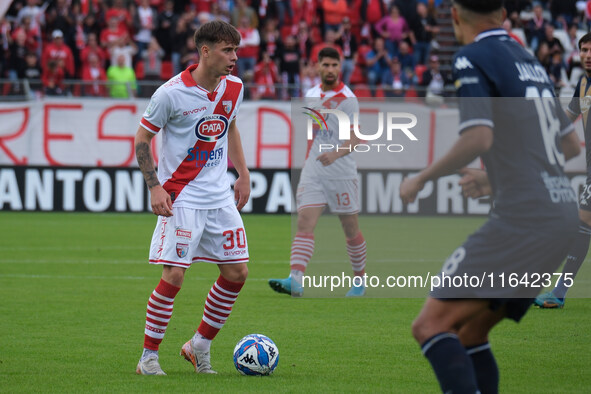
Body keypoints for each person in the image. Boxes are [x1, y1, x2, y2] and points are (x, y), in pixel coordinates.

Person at [399, 1, 581, 393]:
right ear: (502, 12)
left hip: (525, 220)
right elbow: (570, 145)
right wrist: (493, 182)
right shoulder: (528, 59)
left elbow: (478, 138)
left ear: (454, 15)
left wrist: (421, 178)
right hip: (562, 217)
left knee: (430, 325)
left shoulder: (473, 56)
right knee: (469, 334)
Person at [134, 20, 251, 376]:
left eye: (235, 51)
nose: (233, 58)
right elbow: (142, 140)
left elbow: (228, 124)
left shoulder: (234, 87)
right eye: (227, 50)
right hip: (181, 198)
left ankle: (199, 345)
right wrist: (155, 186)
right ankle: (148, 358)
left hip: (219, 198)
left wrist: (242, 173)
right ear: (205, 51)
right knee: (174, 276)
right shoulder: (170, 93)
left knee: (237, 273)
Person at [268, 47, 367, 297]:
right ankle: (295, 279)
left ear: (340, 66)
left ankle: (359, 281)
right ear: (318, 66)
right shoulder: (311, 95)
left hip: (341, 171)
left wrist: (334, 154)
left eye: (335, 65)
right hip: (314, 169)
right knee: (304, 222)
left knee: (349, 227)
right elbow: (315, 133)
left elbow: (357, 137)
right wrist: (309, 162)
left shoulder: (348, 99)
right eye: (326, 65)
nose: (331, 69)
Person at [535, 32, 591, 309]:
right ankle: (558, 292)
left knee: (582, 227)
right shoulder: (582, 85)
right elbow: (567, 120)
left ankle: (559, 292)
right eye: (584, 50)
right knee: (582, 227)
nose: (588, 55)